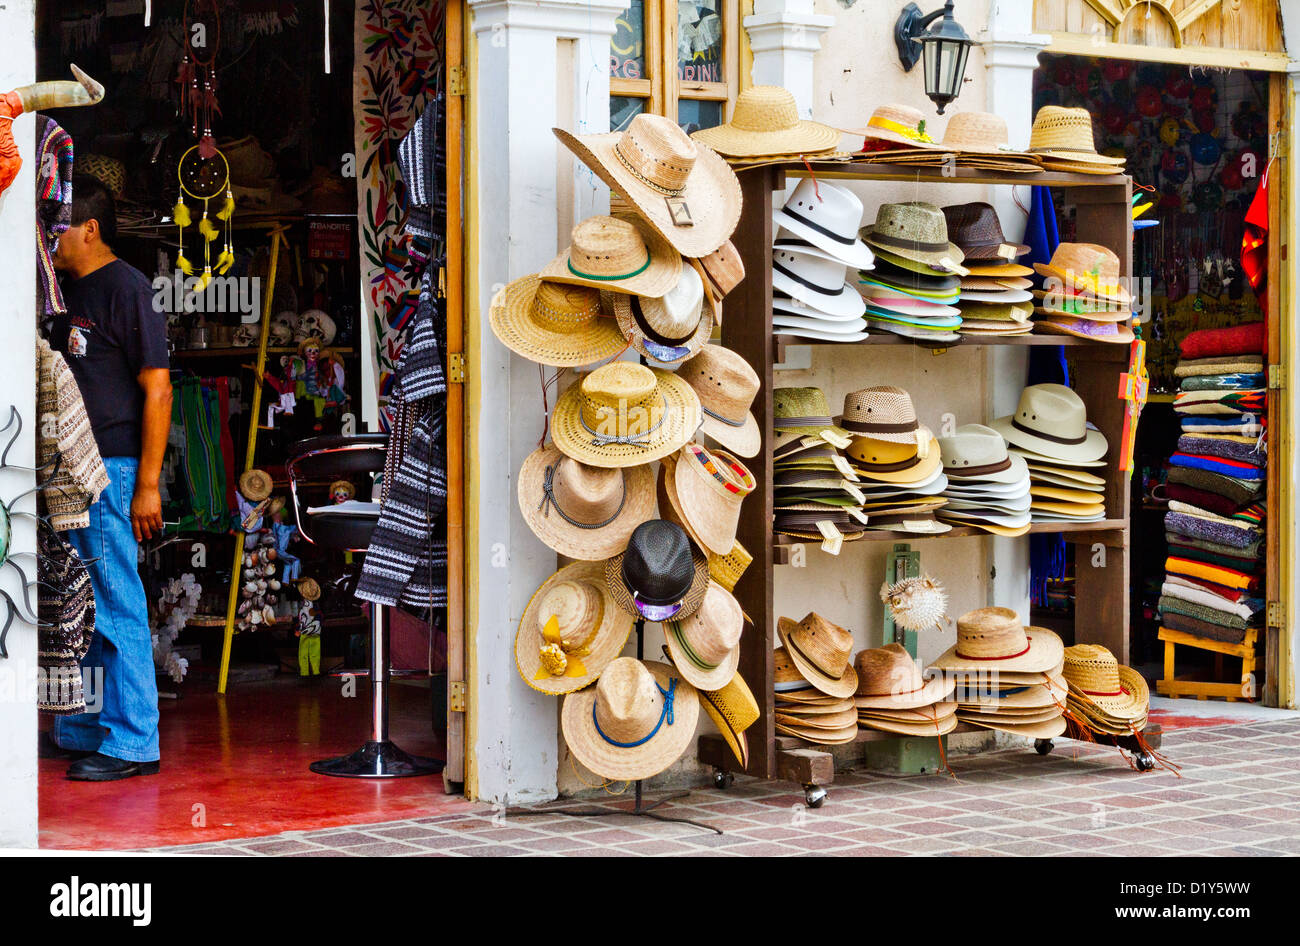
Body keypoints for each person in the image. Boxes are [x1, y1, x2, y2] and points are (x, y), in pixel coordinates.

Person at [44, 176, 172, 781]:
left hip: (112, 469)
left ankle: (132, 741)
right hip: (70, 468)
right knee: (76, 600)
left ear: (89, 228)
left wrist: (147, 484)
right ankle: (83, 725)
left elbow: (159, 387)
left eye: (59, 225)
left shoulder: (129, 290)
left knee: (115, 599)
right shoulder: (64, 289)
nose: (51, 235)